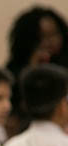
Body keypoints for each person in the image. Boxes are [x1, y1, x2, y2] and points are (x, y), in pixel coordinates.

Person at [5, 6, 68, 136]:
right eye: (42, 37)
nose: (49, 42)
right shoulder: (15, 69)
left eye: (54, 35)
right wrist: (32, 66)